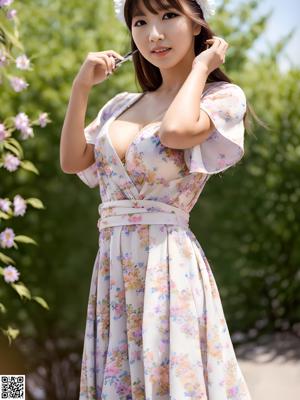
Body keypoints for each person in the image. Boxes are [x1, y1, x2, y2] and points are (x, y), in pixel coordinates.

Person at [60, 0, 254, 398]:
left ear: (197, 23)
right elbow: (72, 160)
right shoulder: (119, 105)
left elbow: (176, 132)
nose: (154, 34)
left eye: (168, 16)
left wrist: (201, 67)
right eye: (140, 22)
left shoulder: (221, 97)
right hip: (113, 267)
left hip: (167, 266)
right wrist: (81, 86)